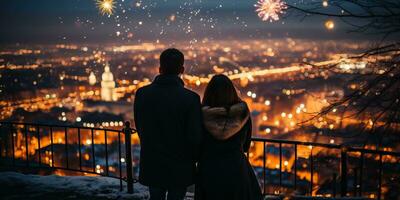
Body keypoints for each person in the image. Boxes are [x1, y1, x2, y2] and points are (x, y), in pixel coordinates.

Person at [134, 48, 203, 200]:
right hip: (180, 164)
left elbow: (140, 127)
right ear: (182, 69)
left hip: (153, 161)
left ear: (160, 69)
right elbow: (194, 135)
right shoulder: (190, 98)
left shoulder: (142, 94)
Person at [196, 74, 263, 200]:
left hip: (209, 168)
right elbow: (246, 145)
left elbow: (197, 142)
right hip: (236, 167)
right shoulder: (242, 112)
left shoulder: (201, 114)